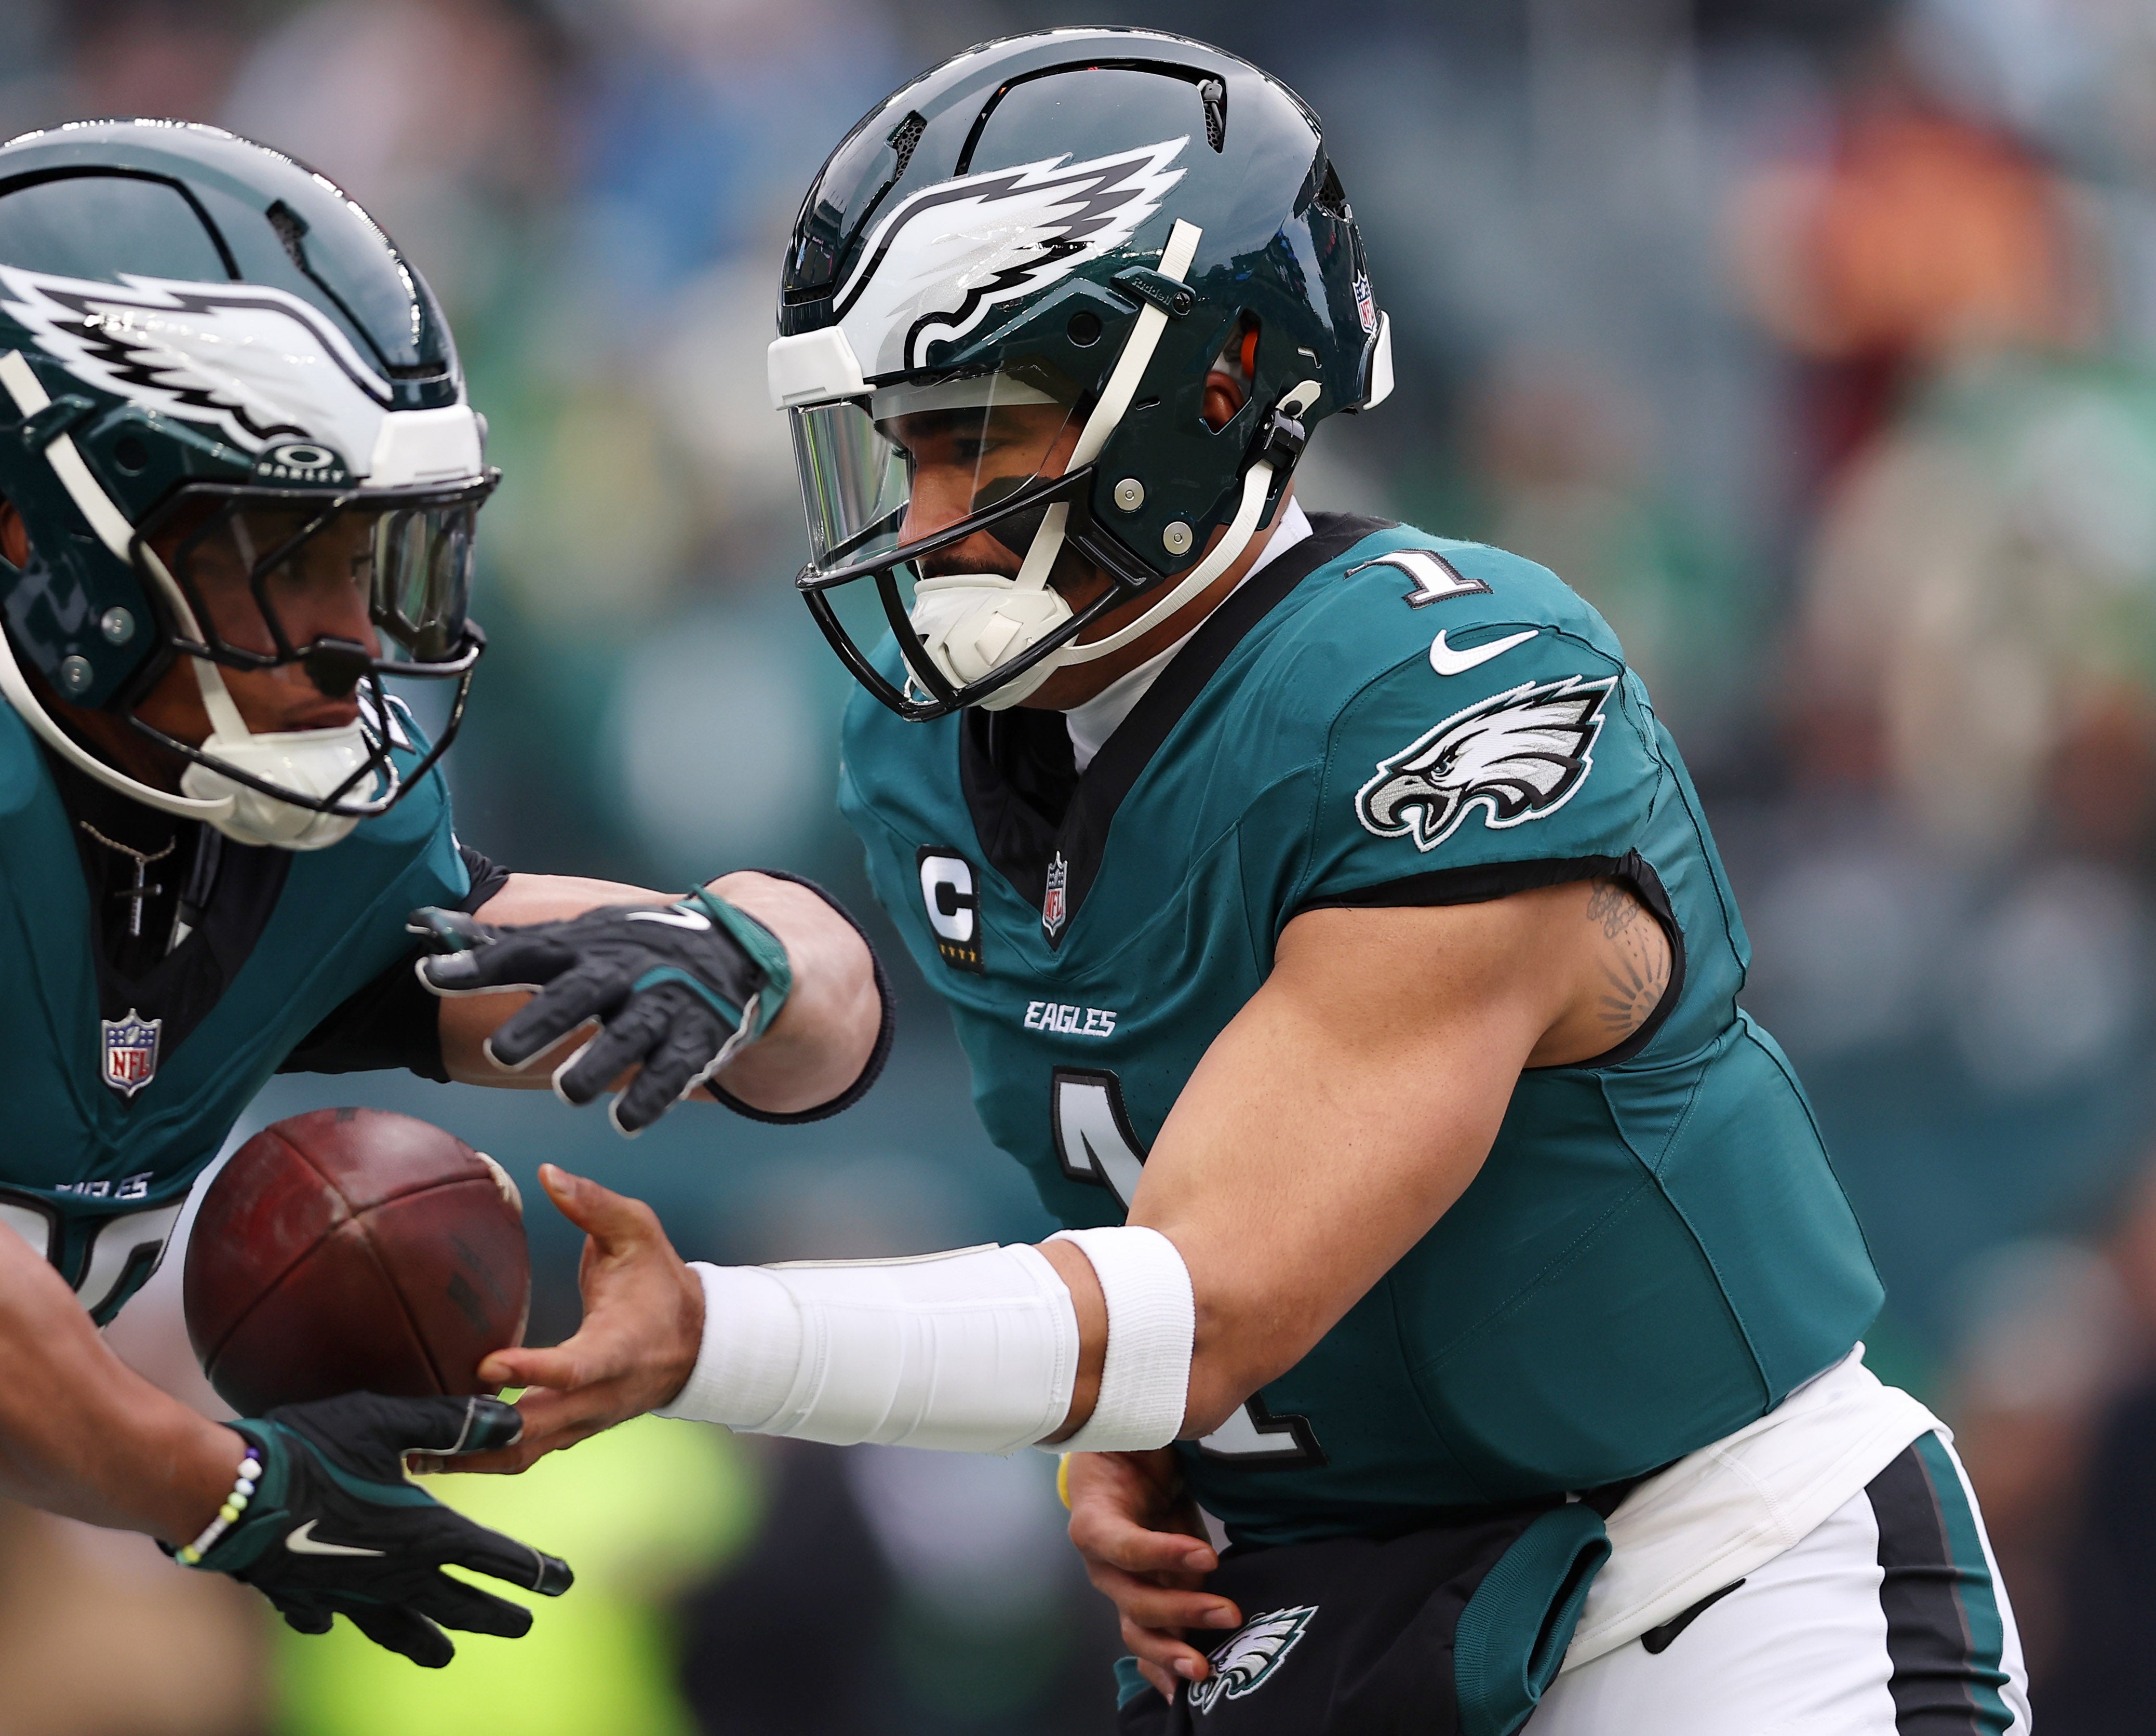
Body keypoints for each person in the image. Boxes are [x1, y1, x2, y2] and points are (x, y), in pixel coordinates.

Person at [421, 30, 2031, 1735]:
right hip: (1317, 1617)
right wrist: (1141, 1436)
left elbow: (1209, 1301)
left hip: (1699, 1593)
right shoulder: (938, 749)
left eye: (983, 438)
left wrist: (714, 1342)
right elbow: (1103, 1143)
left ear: (1212, 387)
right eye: (906, 446)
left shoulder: (1447, 687)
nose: (932, 510)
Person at [0, 121, 887, 1736]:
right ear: (27, 525)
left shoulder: (272, 847)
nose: (349, 635)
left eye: (376, 553)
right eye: (282, 556)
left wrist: (742, 961)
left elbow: (816, 1023)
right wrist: (225, 1490)